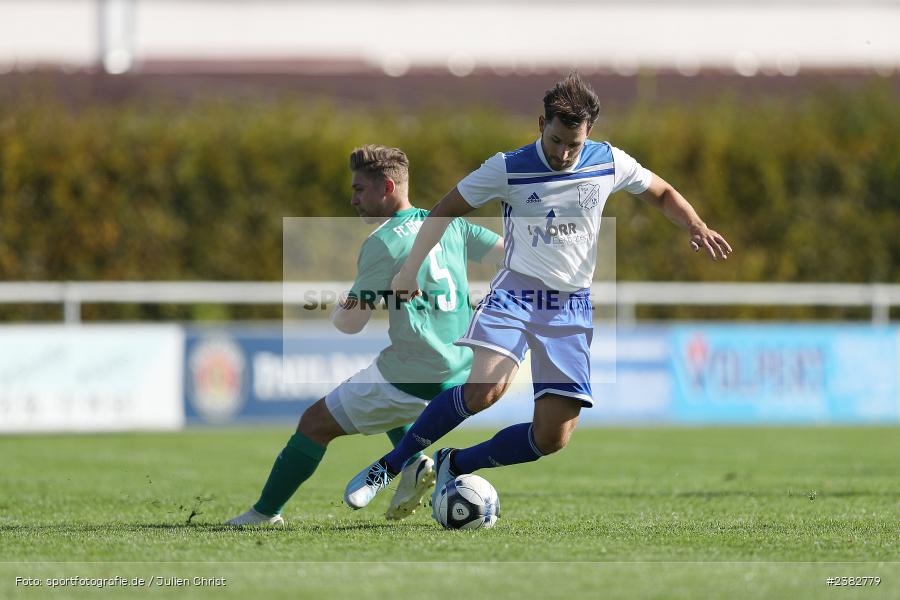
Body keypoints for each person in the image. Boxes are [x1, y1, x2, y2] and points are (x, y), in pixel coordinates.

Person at [344, 73, 733, 515]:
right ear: (540, 124)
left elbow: (660, 192)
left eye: (574, 143)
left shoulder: (608, 161)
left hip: (570, 305)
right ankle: (388, 466)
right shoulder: (507, 167)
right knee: (485, 389)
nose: (564, 153)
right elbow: (446, 208)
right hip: (516, 294)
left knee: (552, 438)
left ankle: (455, 463)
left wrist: (695, 224)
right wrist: (410, 269)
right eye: (555, 140)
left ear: (589, 134)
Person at [227, 144, 502, 525]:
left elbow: (350, 324)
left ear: (387, 187)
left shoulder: (384, 242)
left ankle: (264, 513)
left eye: (359, 189)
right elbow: (506, 254)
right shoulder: (449, 223)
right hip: (462, 374)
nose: (352, 198)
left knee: (313, 424)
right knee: (379, 385)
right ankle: (412, 466)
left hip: (414, 377)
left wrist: (343, 304)